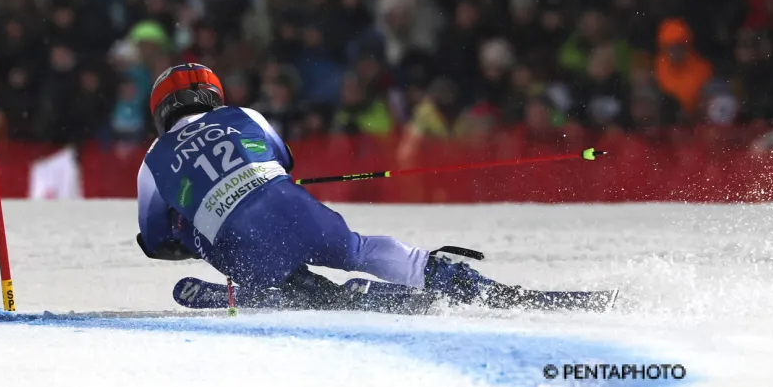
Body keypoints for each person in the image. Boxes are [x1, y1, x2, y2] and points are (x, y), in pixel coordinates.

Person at [136, 63, 614, 312]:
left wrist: (190, 218)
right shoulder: (247, 116)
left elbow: (156, 242)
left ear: (161, 113)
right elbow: (282, 161)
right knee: (359, 248)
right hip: (299, 211)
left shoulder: (151, 162)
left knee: (215, 242)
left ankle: (291, 292)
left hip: (242, 250)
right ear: (214, 94)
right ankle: (445, 276)